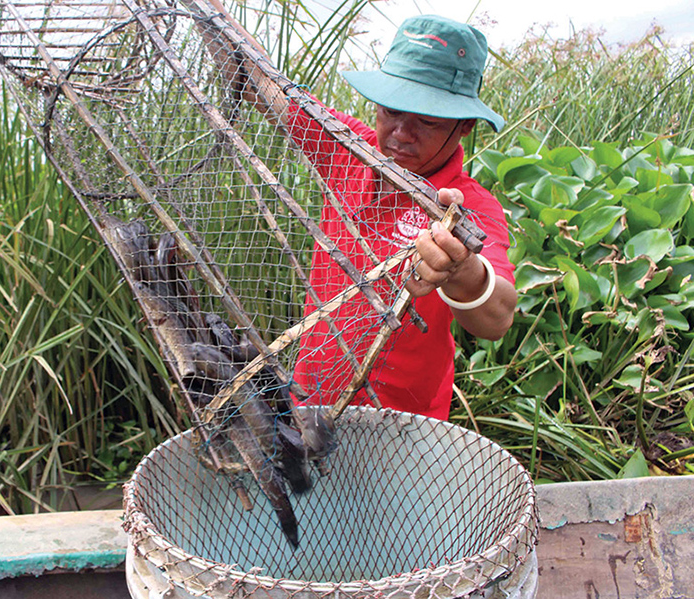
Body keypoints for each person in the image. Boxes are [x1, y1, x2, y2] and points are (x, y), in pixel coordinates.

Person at [210, 9, 517, 421]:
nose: (400, 133)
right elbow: (254, 80)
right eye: (391, 110)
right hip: (312, 402)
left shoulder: (468, 206)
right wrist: (207, 12)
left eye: (426, 120)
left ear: (463, 126)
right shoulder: (348, 149)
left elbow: (497, 317)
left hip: (403, 426)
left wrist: (463, 271)